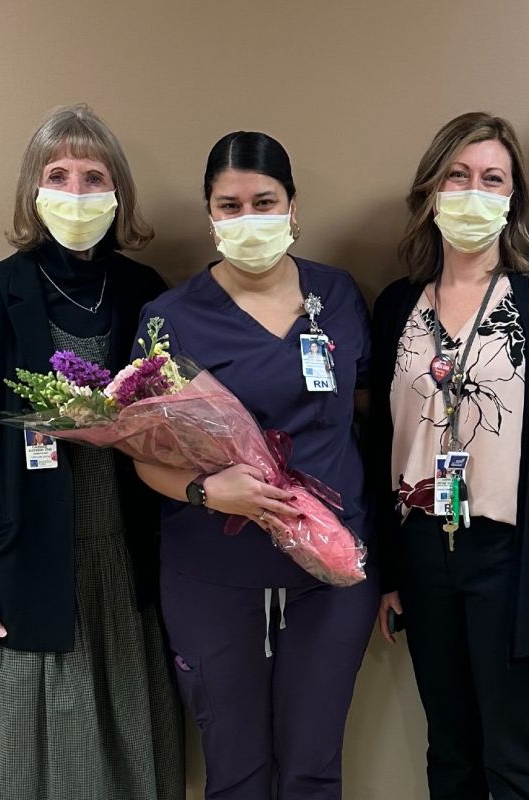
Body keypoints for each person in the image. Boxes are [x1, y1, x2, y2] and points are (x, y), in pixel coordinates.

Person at [0, 104, 184, 800]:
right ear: (32, 192)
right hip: (24, 568)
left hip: (128, 566)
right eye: (59, 175)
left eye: (94, 177)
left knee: (132, 757)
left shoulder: (146, 293)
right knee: (39, 771)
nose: (76, 194)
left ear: (118, 192)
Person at [131, 131, 378, 800]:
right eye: (230, 205)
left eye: (264, 202)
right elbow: (143, 458)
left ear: (294, 209)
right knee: (234, 767)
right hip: (212, 571)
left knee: (312, 766)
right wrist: (211, 493)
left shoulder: (339, 297)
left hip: (330, 566)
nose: (249, 220)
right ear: (209, 215)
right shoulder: (169, 320)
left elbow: (364, 416)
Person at [370, 112, 529, 800]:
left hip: (513, 557)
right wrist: (386, 570)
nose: (473, 192)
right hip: (422, 551)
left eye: (492, 178)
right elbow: (379, 440)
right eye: (458, 176)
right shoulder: (396, 306)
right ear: (431, 191)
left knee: (516, 755)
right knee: (451, 752)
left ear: (513, 197)